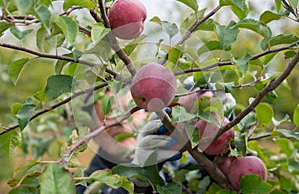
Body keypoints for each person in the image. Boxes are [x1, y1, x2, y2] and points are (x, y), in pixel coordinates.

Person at [76, 77, 236, 194]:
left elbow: (222, 180)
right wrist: (140, 179)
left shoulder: (178, 168)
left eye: (129, 111)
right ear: (92, 133)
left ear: (147, 116)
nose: (120, 120)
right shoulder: (84, 184)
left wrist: (219, 131)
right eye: (106, 114)